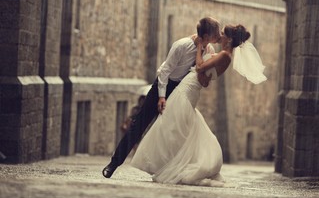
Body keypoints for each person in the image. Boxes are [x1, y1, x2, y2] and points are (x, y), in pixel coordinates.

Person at [130, 24, 267, 186]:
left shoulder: (225, 55)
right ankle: (166, 164)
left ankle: (171, 166)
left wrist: (199, 48)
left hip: (187, 91)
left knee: (171, 127)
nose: (219, 35)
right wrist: (202, 59)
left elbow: (201, 67)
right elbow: (205, 78)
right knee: (172, 128)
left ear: (229, 39)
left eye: (222, 33)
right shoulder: (221, 54)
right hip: (188, 89)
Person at [102, 17, 221, 178]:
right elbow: (165, 72)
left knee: (173, 132)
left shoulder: (209, 50)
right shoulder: (181, 45)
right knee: (139, 124)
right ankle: (113, 164)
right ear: (206, 36)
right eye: (215, 35)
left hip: (181, 92)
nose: (218, 37)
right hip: (163, 85)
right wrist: (161, 97)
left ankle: (170, 170)